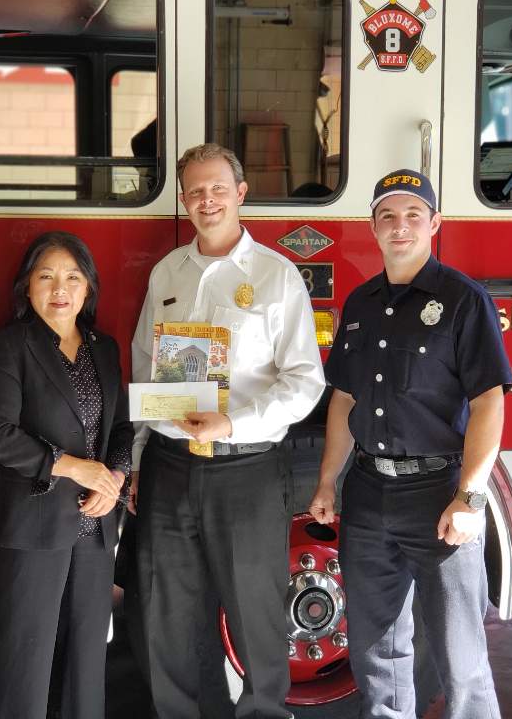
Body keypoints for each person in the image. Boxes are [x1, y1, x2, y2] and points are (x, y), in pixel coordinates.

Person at [130, 142, 325, 719]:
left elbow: (305, 382)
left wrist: (232, 421)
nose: (207, 200)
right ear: (183, 199)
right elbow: (144, 367)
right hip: (169, 465)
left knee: (254, 612)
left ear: (240, 193)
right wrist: (137, 460)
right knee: (167, 613)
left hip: (246, 468)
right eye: (195, 191)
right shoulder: (167, 272)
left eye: (218, 188)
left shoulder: (276, 275)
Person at [308, 169, 512, 719]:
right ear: (373, 227)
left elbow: (489, 402)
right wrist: (327, 481)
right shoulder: (360, 304)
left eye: (413, 215)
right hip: (367, 492)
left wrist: (470, 497)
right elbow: (344, 399)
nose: (400, 226)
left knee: (459, 656)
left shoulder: (464, 301)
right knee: (376, 651)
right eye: (388, 216)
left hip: (438, 494)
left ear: (434, 223)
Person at [0, 232, 133, 719]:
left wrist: (115, 478)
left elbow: (122, 429)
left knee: (86, 660)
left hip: (95, 527)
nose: (59, 288)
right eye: (46, 276)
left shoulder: (104, 348)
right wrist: (73, 467)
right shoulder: (9, 345)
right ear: (27, 286)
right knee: (25, 659)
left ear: (88, 286)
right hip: (34, 523)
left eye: (72, 277)